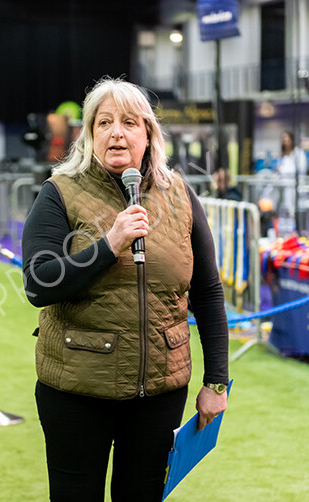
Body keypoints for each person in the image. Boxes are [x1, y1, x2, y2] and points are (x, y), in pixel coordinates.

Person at [22, 77, 229, 502]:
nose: (117, 132)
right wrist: (109, 244)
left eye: (130, 122)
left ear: (149, 135)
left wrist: (217, 382)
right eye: (104, 122)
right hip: (77, 390)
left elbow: (207, 292)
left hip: (158, 393)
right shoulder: (59, 193)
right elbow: (38, 284)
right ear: (89, 135)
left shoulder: (181, 196)